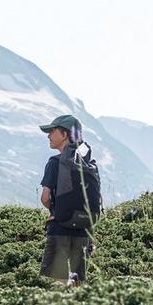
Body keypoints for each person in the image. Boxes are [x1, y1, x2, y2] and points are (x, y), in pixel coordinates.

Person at [38, 114, 95, 286]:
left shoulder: (55, 162)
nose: (48, 135)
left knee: (59, 283)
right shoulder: (88, 163)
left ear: (64, 135)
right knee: (79, 283)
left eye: (52, 131)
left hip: (60, 229)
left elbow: (45, 197)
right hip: (83, 230)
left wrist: (57, 211)